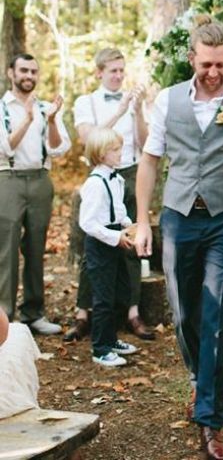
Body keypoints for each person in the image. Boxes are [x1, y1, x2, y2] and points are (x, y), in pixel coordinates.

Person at [134, 17, 223, 460]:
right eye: (206, 63)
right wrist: (142, 221)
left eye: (221, 64)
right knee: (182, 312)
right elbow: (150, 160)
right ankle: (201, 378)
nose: (213, 72)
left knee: (216, 314)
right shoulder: (168, 100)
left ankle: (211, 420)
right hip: (177, 217)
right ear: (192, 57)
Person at [66, 47, 153, 342]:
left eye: (121, 70)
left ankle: (131, 313)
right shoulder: (86, 102)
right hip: (100, 177)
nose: (118, 76)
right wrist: (120, 110)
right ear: (99, 72)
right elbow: (89, 140)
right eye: (112, 70)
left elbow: (144, 142)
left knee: (130, 243)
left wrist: (138, 109)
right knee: (94, 246)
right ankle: (83, 313)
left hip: (130, 174)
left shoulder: (134, 101)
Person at [0, 53, 71, 335]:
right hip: (8, 179)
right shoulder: (2, 108)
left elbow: (59, 148)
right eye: (24, 71)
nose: (29, 76)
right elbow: (4, 149)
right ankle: (5, 314)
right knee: (6, 249)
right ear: (11, 73)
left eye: (33, 71)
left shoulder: (46, 108)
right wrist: (28, 120)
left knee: (35, 247)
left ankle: (34, 312)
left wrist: (51, 121)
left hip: (40, 178)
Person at [79, 128, 138, 367]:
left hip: (116, 237)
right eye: (115, 150)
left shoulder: (117, 178)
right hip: (101, 242)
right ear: (101, 154)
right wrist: (115, 236)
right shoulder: (94, 183)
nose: (120, 153)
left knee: (119, 292)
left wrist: (128, 224)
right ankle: (100, 348)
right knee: (103, 297)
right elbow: (88, 222)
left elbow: (119, 208)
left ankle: (111, 339)